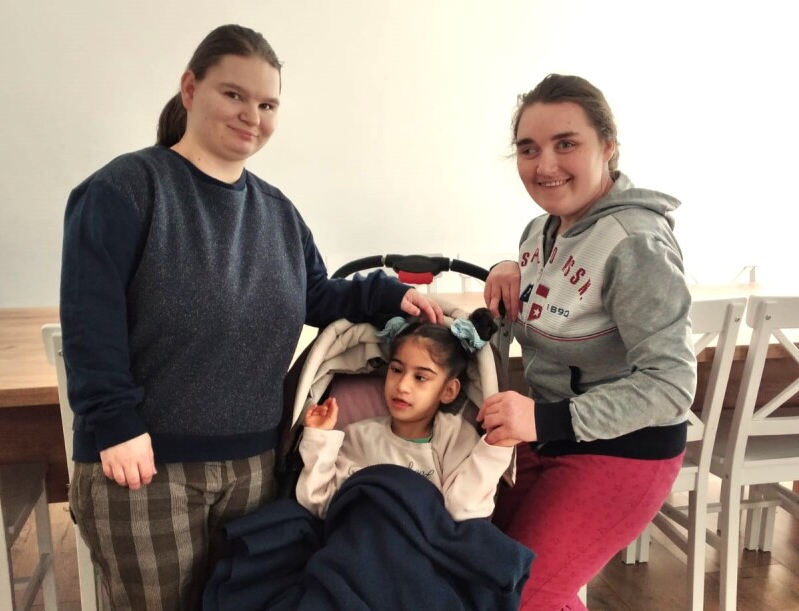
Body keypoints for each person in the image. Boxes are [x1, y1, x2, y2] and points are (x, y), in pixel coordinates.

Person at [59, 24, 443, 610]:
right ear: (190, 89)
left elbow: (317, 294)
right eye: (234, 95)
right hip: (146, 467)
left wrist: (389, 295)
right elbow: (91, 318)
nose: (252, 116)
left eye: (267, 104)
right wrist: (114, 423)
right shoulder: (126, 188)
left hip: (254, 470)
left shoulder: (278, 212)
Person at [477, 74, 697, 610]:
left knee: (521, 596)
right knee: (477, 568)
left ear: (609, 145)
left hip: (624, 451)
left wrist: (546, 422)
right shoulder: (539, 231)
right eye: (529, 149)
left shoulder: (636, 243)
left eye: (566, 144)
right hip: (548, 436)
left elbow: (672, 386)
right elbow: (536, 319)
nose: (544, 165)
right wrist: (501, 280)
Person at [296, 308, 516, 521]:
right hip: (361, 536)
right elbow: (319, 502)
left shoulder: (455, 437)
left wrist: (497, 448)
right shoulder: (359, 436)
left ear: (448, 391)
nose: (402, 386)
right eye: (396, 370)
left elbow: (463, 508)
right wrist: (318, 438)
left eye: (420, 378)